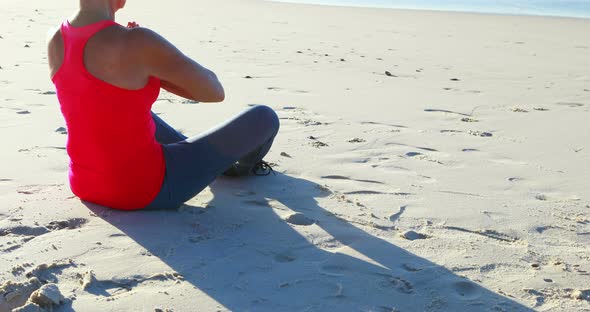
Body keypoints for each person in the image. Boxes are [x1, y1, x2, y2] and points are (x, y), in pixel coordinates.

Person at [46, 0, 280, 211]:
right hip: (143, 190)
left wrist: (143, 63)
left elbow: (95, 95)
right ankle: (233, 169)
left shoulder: (56, 38)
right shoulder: (138, 41)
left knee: (119, 109)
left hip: (84, 183)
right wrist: (150, 61)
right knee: (264, 117)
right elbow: (214, 92)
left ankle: (195, 156)